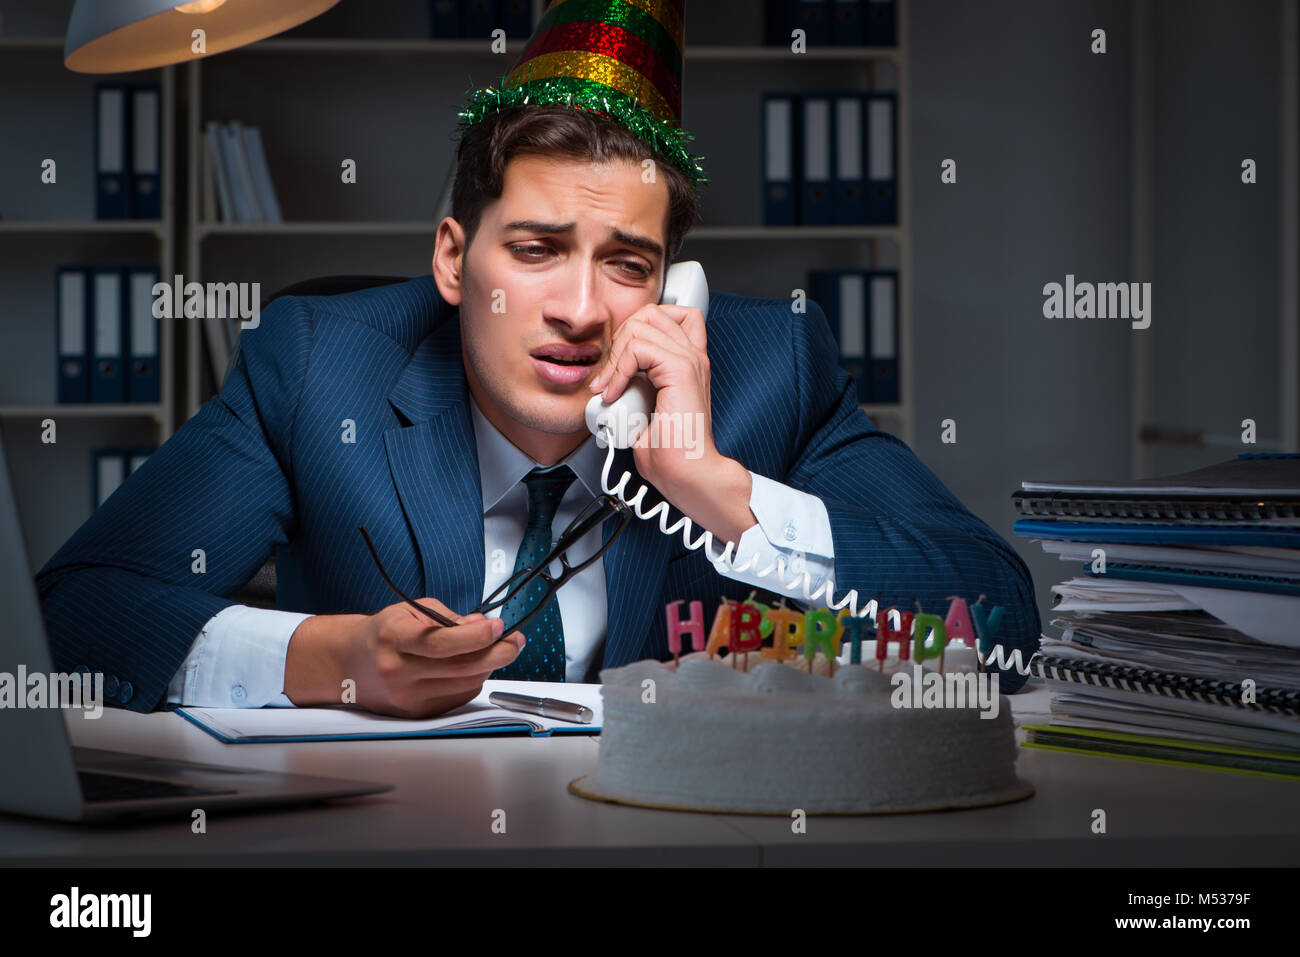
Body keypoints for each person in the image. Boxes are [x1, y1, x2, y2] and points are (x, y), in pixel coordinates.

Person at [35, 0, 1040, 718]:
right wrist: (328, 656)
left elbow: (999, 624)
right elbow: (75, 612)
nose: (577, 310)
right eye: (535, 249)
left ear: (670, 288)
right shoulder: (320, 368)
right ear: (451, 259)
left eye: (627, 264)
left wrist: (717, 490)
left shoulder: (771, 370)